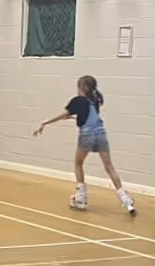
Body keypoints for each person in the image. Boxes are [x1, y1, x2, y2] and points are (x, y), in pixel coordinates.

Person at [33, 75, 136, 215]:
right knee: (109, 167)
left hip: (87, 135)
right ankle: (125, 199)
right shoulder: (95, 100)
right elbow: (89, 117)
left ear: (82, 87)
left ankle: (81, 197)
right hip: (101, 134)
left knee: (78, 163)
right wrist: (74, 117)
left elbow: (63, 115)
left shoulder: (77, 100)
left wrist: (45, 122)